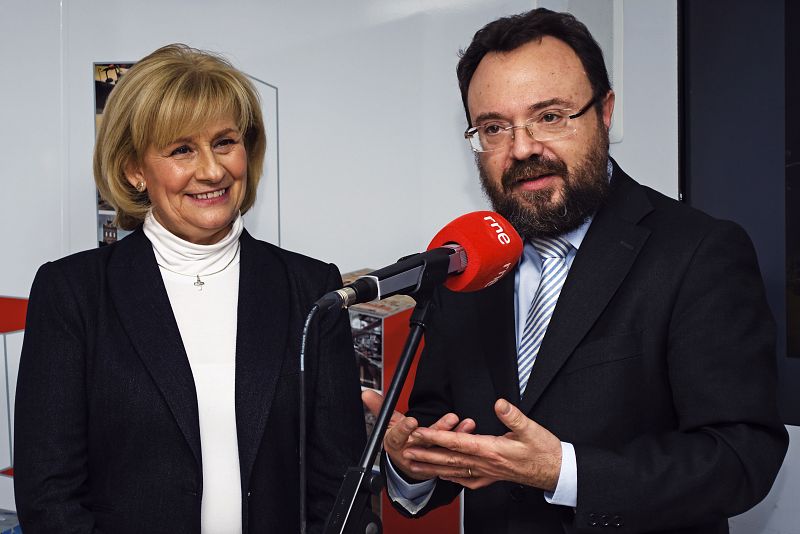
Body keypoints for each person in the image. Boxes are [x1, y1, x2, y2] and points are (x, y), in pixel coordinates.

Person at [362, 8, 789, 533]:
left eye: (550, 116)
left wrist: (564, 472)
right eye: (494, 127)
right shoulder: (466, 264)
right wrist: (413, 466)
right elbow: (445, 430)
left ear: (604, 112)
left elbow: (740, 457)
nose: (522, 148)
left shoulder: (698, 251)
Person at [14, 43, 365, 534]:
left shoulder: (310, 287)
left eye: (224, 142)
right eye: (182, 149)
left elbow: (340, 491)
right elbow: (49, 497)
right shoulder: (73, 294)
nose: (213, 170)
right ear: (134, 169)